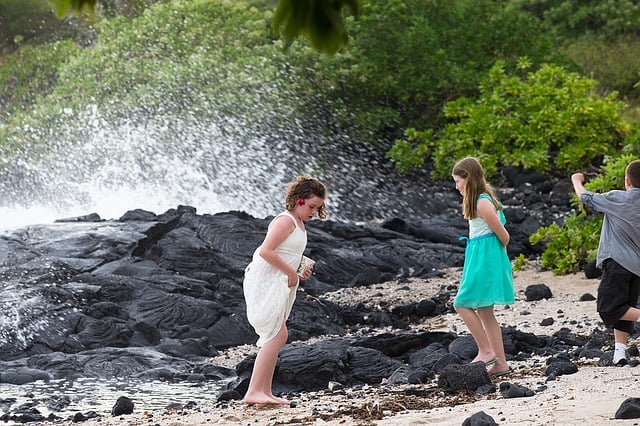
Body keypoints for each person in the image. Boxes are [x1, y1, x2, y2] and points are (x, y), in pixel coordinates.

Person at [242, 176, 328, 405]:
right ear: (299, 200)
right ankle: (253, 392)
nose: (313, 212)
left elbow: (286, 253)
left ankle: (264, 391)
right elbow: (266, 251)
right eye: (311, 206)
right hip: (265, 279)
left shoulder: (298, 223)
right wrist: (291, 273)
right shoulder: (286, 220)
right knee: (276, 334)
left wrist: (299, 270)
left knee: (277, 334)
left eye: (317, 208)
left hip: (279, 279)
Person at [571, 159, 640, 365]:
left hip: (617, 262)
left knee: (608, 308)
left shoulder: (618, 198)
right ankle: (619, 353)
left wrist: (576, 180)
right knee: (624, 308)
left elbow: (585, 196)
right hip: (637, 268)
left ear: (627, 181)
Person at [452, 157, 515, 378]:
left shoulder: (481, 202)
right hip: (479, 255)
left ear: (469, 178)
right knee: (485, 311)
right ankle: (501, 364)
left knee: (461, 303)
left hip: (485, 258)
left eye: (458, 181)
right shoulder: (478, 201)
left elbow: (504, 235)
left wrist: (494, 256)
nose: (457, 186)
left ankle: (486, 351)